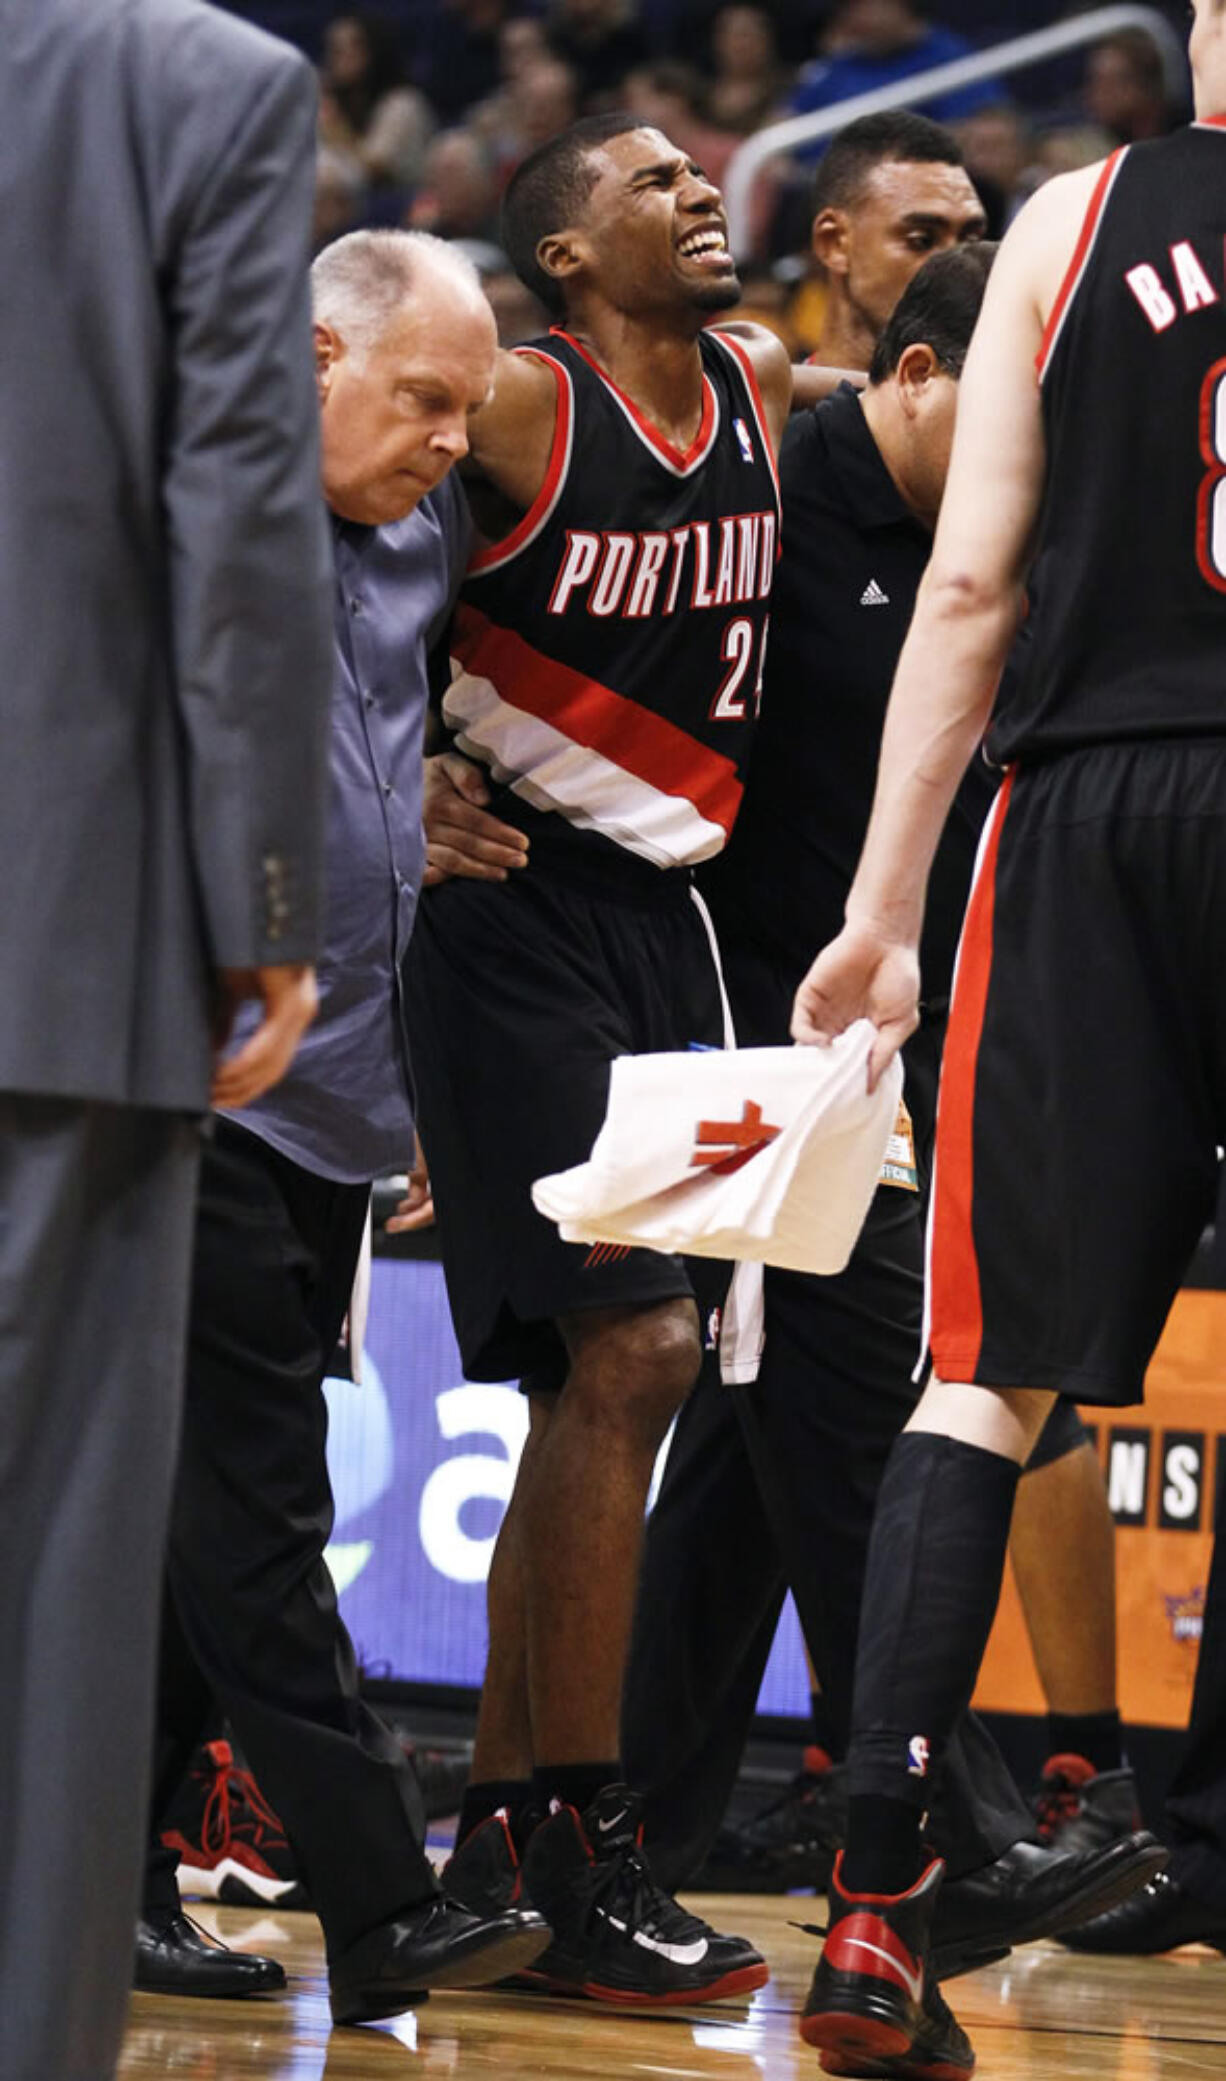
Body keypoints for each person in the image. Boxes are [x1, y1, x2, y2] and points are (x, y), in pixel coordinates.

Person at [792, 1, 1226, 2069]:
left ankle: (874, 1904)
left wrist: (882, 914)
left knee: (979, 1382)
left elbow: (967, 595)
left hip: (1088, 817)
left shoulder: (1070, 220)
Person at [134, 231, 547, 2030]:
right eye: (419, 398)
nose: (449, 437)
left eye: (466, 406)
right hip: (182, 1093)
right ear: (309, 356)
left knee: (189, 1523)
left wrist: (408, 1092)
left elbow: (389, 784)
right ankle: (382, 1898)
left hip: (341, 1116)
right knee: (254, 1514)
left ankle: (107, 1876)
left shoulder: (418, 537)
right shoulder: (178, 514)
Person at [404, 111, 794, 2005]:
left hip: (682, 930)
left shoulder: (765, 384)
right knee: (627, 1349)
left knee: (614, 1392)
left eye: (699, 171)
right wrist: (390, 764)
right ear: (561, 254)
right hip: (513, 920)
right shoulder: (517, 414)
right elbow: (320, 555)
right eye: (650, 180)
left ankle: (494, 1815)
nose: (699, 188)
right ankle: (591, 1829)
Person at [0, 2, 335, 2077]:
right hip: (64, 907)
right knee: (50, 1546)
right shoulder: (201, 83)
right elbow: (238, 513)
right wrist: (264, 897)